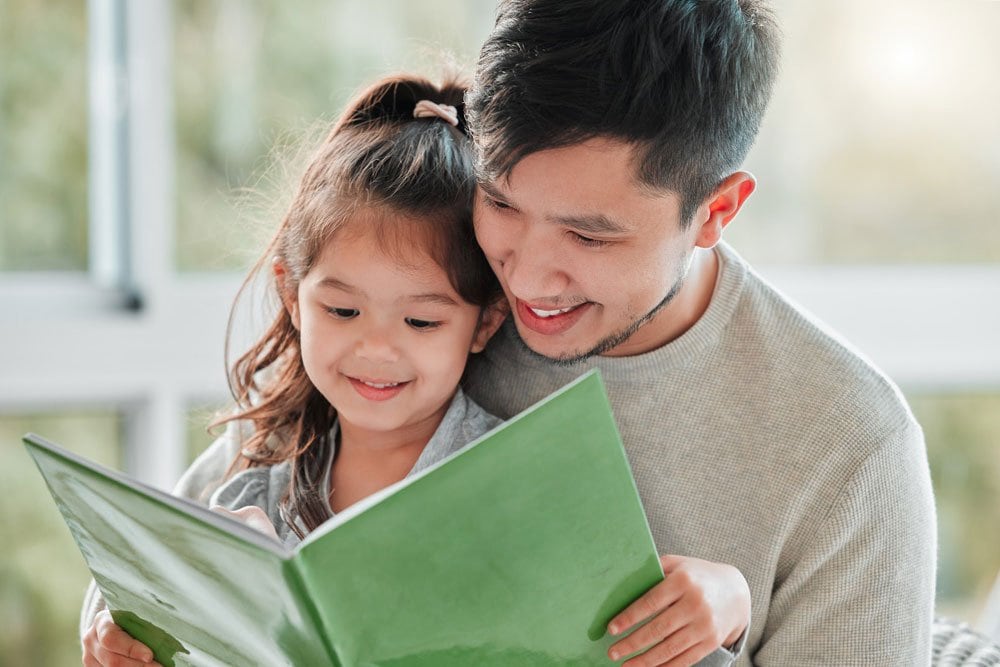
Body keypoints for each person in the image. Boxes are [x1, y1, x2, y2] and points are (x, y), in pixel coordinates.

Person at [460, 0, 936, 665]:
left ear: (716, 212)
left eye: (589, 235)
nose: (529, 279)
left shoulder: (851, 442)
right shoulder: (423, 306)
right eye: (501, 202)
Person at [79, 74, 509, 666]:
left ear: (484, 324)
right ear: (291, 298)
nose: (376, 349)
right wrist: (118, 635)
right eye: (342, 310)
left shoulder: (511, 476)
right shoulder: (262, 472)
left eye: (421, 323)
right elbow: (133, 577)